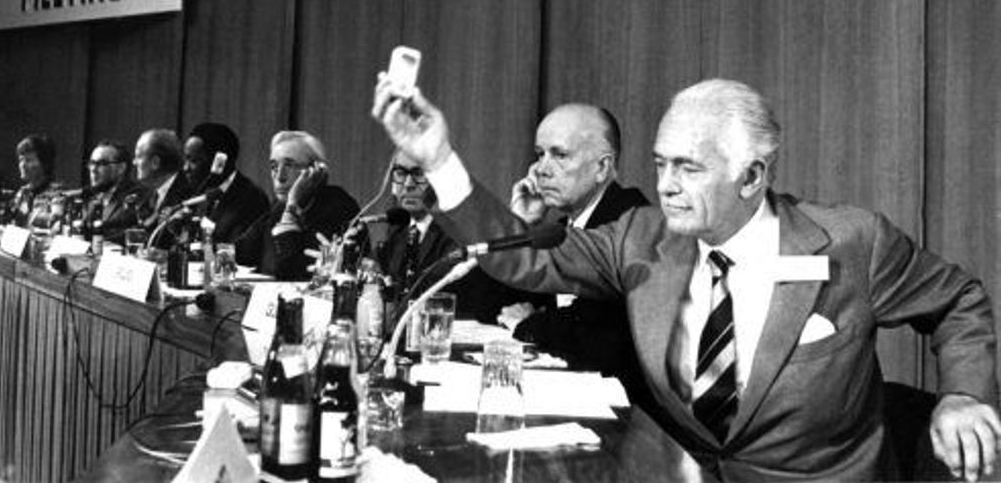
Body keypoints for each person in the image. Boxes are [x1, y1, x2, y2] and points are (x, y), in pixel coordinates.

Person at [373, 77, 1001, 482]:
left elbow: (959, 301)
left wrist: (964, 393)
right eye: (661, 164)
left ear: (752, 177)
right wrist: (438, 159)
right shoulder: (643, 239)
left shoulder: (850, 242)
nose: (667, 184)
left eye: (689, 168)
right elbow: (523, 260)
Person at [498, 104, 649, 395]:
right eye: (540, 154)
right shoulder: (561, 226)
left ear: (602, 167)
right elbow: (492, 305)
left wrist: (529, 323)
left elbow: (597, 338)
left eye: (560, 155)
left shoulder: (633, 222)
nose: (541, 169)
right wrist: (522, 223)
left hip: (628, 411)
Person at [374, 151, 543, 323]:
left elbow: (436, 291)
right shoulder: (398, 230)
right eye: (401, 173)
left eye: (419, 174)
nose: (408, 184)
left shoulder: (460, 228)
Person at [234, 130, 357, 280]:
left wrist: (291, 208)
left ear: (315, 172)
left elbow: (291, 274)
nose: (280, 177)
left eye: (289, 166)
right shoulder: (278, 208)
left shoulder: (338, 208)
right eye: (274, 167)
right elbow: (240, 253)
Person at [183, 122, 269, 245]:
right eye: (186, 159)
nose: (186, 168)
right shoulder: (199, 193)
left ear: (219, 162)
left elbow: (241, 253)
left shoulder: (253, 199)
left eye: (194, 161)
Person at [83, 139, 152, 244]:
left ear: (121, 168)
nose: (93, 169)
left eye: (101, 163)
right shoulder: (92, 197)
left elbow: (126, 235)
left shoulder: (137, 196)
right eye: (91, 163)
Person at [133, 129, 191, 230]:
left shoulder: (188, 195)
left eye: (138, 157)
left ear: (155, 162)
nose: (134, 162)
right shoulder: (146, 194)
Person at [5, 134, 59, 227]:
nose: (22, 165)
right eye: (21, 160)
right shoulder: (22, 193)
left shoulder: (58, 193)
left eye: (28, 160)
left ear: (44, 164)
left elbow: (55, 222)